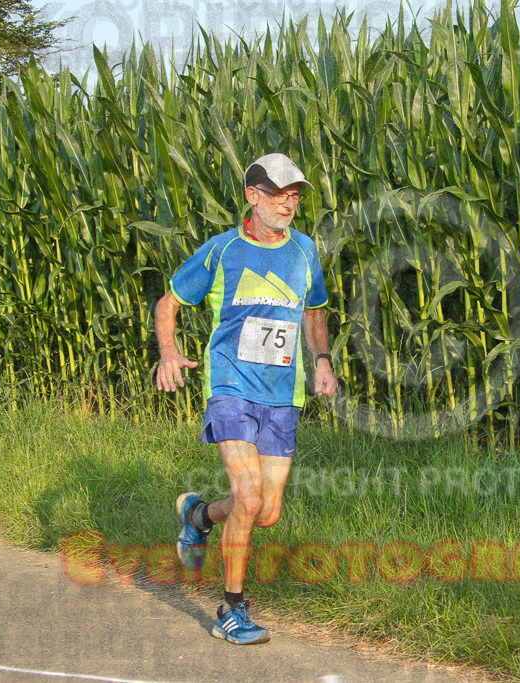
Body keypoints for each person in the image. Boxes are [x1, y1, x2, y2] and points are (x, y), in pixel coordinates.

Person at [154, 152, 337, 645]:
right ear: (252, 196)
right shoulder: (222, 250)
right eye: (277, 194)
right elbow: (168, 303)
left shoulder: (304, 251)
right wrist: (168, 352)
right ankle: (230, 610)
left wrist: (322, 361)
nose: (288, 203)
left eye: (294, 195)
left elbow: (315, 311)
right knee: (249, 496)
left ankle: (196, 516)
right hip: (230, 387)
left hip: (283, 394)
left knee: (265, 510)